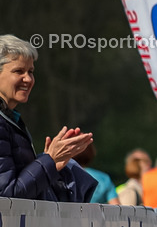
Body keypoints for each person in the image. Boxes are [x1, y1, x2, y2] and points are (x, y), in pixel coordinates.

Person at [0, 34, 96, 202]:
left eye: (30, 71)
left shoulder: (10, 118)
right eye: (18, 71)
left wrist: (53, 164)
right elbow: (8, 196)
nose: (28, 79)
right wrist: (48, 160)